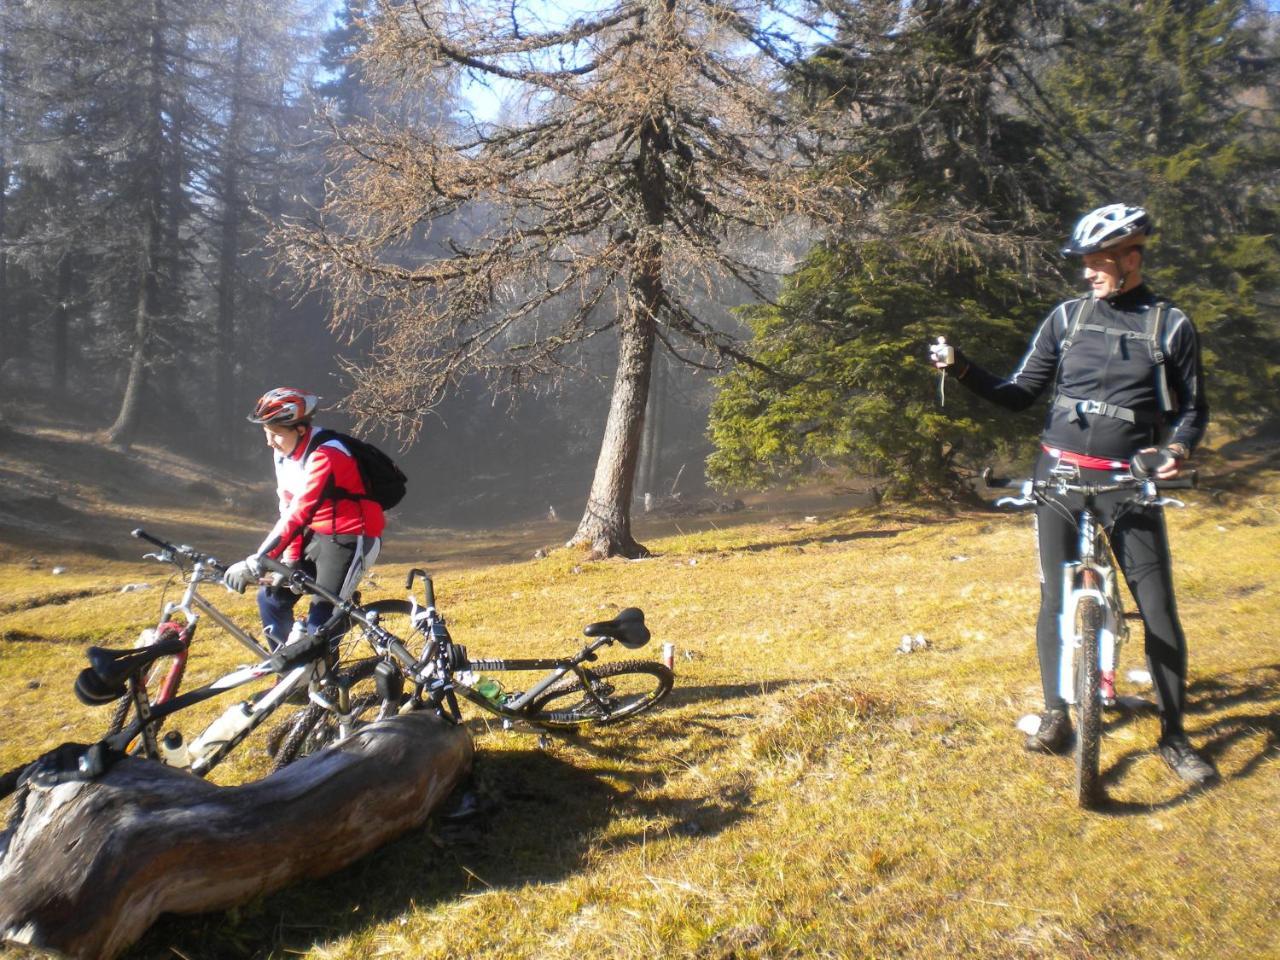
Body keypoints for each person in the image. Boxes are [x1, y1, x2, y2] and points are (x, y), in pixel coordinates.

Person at [930, 203, 1217, 785]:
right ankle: (1057, 716)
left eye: (1100, 262)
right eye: (1085, 263)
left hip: (1128, 484)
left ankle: (1175, 736)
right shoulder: (1067, 318)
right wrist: (962, 368)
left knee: (1158, 608)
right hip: (1058, 474)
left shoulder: (1169, 324)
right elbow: (1018, 394)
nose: (1088, 273)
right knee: (1054, 602)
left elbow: (1192, 409)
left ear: (1132, 258)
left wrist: (1177, 451)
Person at [223, 387, 385, 651]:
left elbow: (301, 510)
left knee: (320, 622)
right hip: (315, 535)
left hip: (351, 536)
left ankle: (320, 678)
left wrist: (258, 561)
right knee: (271, 599)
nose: (269, 442)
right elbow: (287, 506)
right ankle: (288, 676)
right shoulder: (283, 455)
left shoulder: (327, 454)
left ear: (300, 429)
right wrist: (291, 559)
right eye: (266, 433)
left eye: (275, 434)